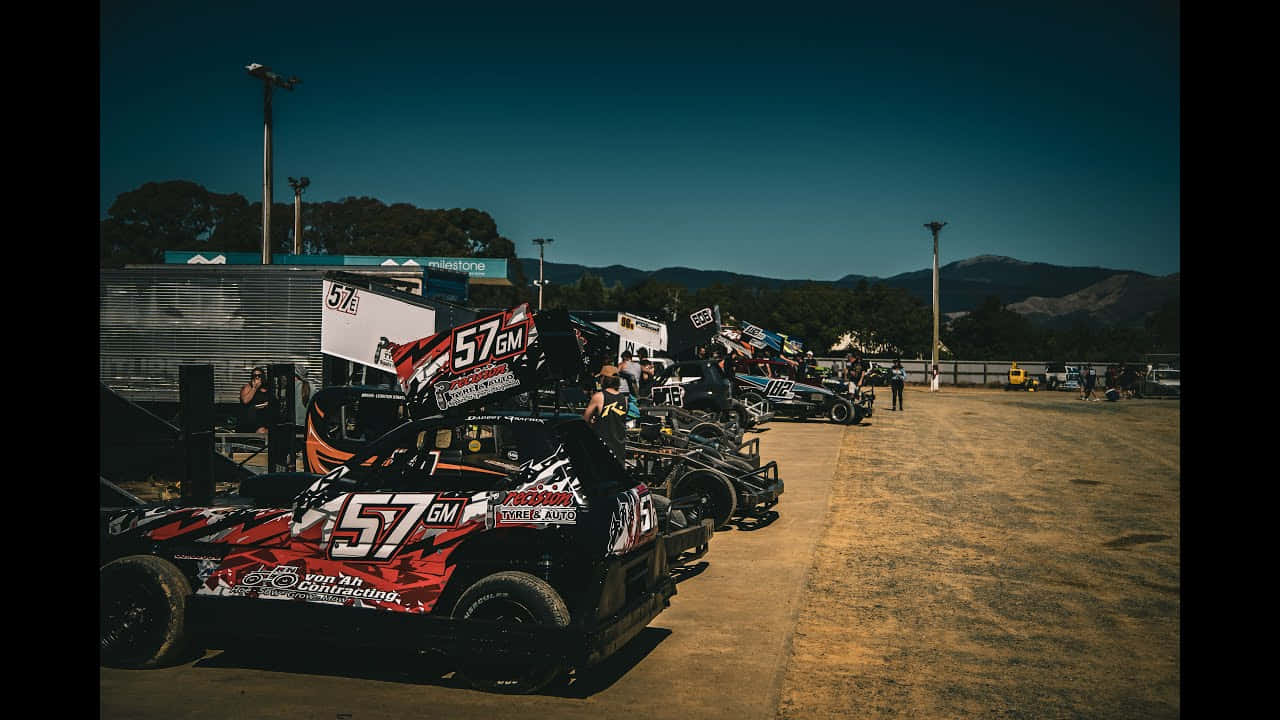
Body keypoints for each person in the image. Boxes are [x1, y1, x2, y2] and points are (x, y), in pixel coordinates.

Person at [582, 369, 628, 462]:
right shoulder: (624, 399)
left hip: (603, 445)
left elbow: (585, 420)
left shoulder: (598, 396)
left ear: (604, 379)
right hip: (619, 446)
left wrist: (593, 423)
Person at [240, 367, 273, 433]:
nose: (257, 377)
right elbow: (245, 401)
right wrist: (254, 388)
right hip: (253, 418)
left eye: (259, 375)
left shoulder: (267, 387)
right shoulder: (248, 387)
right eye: (255, 375)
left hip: (265, 417)